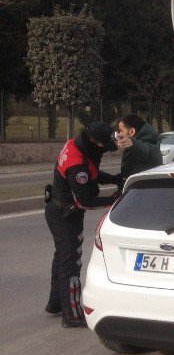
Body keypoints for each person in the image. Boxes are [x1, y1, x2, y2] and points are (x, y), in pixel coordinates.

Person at [44, 123, 121, 328]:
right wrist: (115, 200)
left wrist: (113, 179)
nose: (105, 149)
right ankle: (72, 315)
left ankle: (56, 304)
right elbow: (84, 201)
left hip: (57, 208)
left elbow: (92, 173)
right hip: (65, 214)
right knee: (71, 263)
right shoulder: (77, 164)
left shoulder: (76, 145)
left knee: (62, 257)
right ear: (94, 142)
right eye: (104, 146)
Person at [116, 114, 162, 180]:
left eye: (121, 131)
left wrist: (132, 143)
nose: (119, 134)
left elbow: (144, 152)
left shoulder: (149, 142)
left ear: (132, 131)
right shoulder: (140, 140)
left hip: (142, 187)